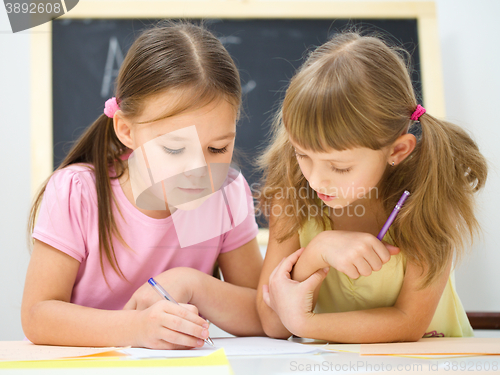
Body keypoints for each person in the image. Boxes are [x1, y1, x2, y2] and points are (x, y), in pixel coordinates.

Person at [22, 21, 264, 349]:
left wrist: (192, 284)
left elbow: (263, 316)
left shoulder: (226, 193)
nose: (198, 171)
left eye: (217, 149)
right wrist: (137, 328)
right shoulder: (77, 192)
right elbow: (38, 315)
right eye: (175, 149)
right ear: (126, 130)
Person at [256, 32, 487, 343]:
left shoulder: (427, 196)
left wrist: (306, 325)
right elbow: (272, 322)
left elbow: (408, 324)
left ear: (396, 151)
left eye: (340, 167)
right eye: (302, 155)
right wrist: (317, 252)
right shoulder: (293, 193)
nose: (316, 179)